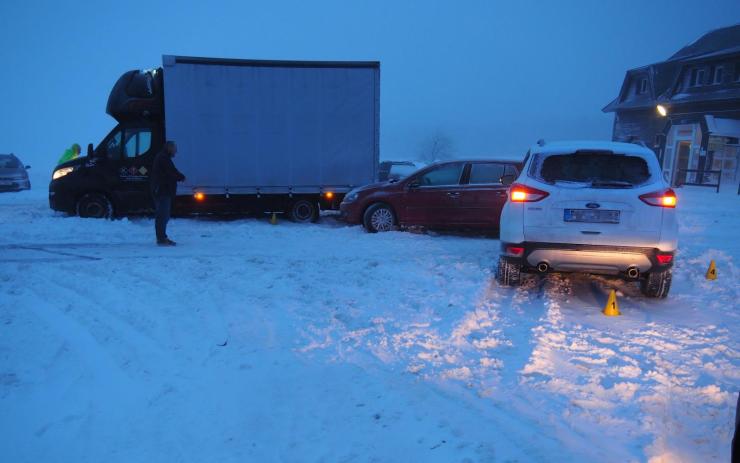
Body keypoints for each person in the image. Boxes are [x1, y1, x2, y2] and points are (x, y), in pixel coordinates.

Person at [151, 141, 185, 246]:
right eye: (175, 149)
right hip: (162, 191)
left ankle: (162, 237)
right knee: (163, 215)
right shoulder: (163, 158)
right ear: (169, 148)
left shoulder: (163, 157)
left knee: (163, 215)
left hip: (162, 190)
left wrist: (179, 176)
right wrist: (181, 177)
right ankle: (161, 239)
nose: (176, 152)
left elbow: (171, 171)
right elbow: (171, 172)